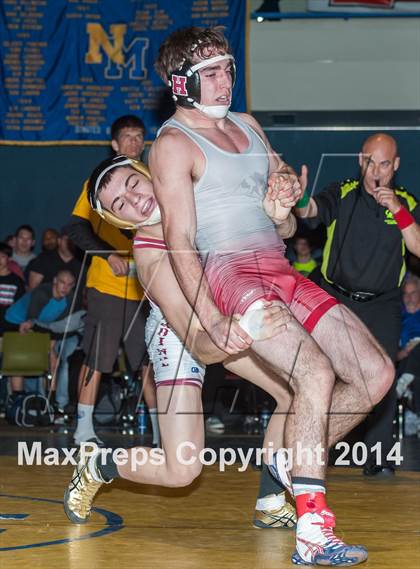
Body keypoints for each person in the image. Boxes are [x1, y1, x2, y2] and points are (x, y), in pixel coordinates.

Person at [147, 27, 394, 565]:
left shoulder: (249, 125)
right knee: (315, 375)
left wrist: (284, 203)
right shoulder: (172, 143)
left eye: (228, 67)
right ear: (180, 82)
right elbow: (180, 240)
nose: (225, 80)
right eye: (210, 72)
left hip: (278, 266)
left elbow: (282, 221)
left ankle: (292, 461)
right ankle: (312, 529)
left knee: (376, 375)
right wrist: (209, 318)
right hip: (232, 275)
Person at [64, 156, 298, 531]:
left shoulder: (199, 192)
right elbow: (201, 343)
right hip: (180, 336)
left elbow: (283, 230)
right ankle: (99, 465)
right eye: (120, 204)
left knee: (292, 391)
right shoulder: (149, 253)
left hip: (228, 313)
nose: (134, 200)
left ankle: (271, 499)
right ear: (118, 220)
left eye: (132, 185)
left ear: (147, 174)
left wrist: (280, 210)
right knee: (182, 469)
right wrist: (251, 325)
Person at [295, 133, 420, 477]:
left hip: (382, 304)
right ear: (359, 159)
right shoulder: (344, 192)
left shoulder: (406, 203)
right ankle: (311, 452)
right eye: (369, 161)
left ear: (395, 166)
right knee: (323, 375)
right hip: (335, 298)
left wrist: (396, 208)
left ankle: (378, 459)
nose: (374, 171)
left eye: (383, 163)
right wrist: (299, 194)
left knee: (382, 375)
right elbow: (310, 212)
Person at [65, 115, 159, 447]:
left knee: (150, 362)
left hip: (148, 288)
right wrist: (108, 254)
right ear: (115, 145)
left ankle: (163, 435)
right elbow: (76, 228)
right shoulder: (100, 183)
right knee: (98, 357)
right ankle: (84, 430)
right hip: (107, 286)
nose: (134, 142)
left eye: (139, 136)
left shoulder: (155, 176)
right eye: (127, 137)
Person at [0, 242, 26, 402]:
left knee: (17, 366)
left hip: (11, 331)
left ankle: (17, 403)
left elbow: (21, 307)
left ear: (8, 258)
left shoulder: (16, 281)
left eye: (2, 256)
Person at [396, 275, 420, 434]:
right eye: (406, 293)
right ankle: (415, 416)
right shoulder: (397, 317)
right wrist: (403, 352)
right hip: (403, 362)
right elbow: (390, 353)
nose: (409, 297)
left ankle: (405, 384)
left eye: (413, 293)